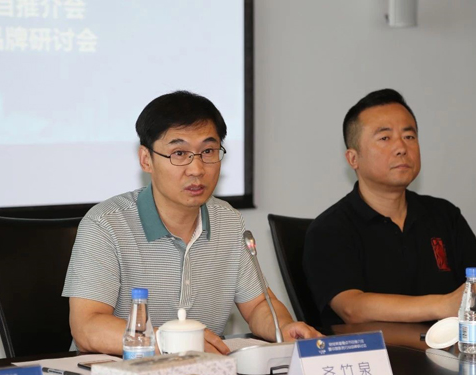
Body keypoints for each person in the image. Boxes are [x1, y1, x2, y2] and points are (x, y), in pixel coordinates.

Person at [63, 91, 320, 355]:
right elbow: (87, 327)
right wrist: (172, 342)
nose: (197, 169)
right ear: (146, 159)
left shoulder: (229, 221)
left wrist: (284, 328)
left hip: (203, 374)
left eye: (208, 151)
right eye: (179, 153)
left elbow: (258, 306)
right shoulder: (105, 225)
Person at [303, 88, 476, 327]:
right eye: (385, 138)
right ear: (353, 158)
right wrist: (443, 305)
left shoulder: (443, 214)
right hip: (379, 350)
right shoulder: (330, 229)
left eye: (409, 136)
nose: (401, 147)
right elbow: (352, 307)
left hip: (449, 347)